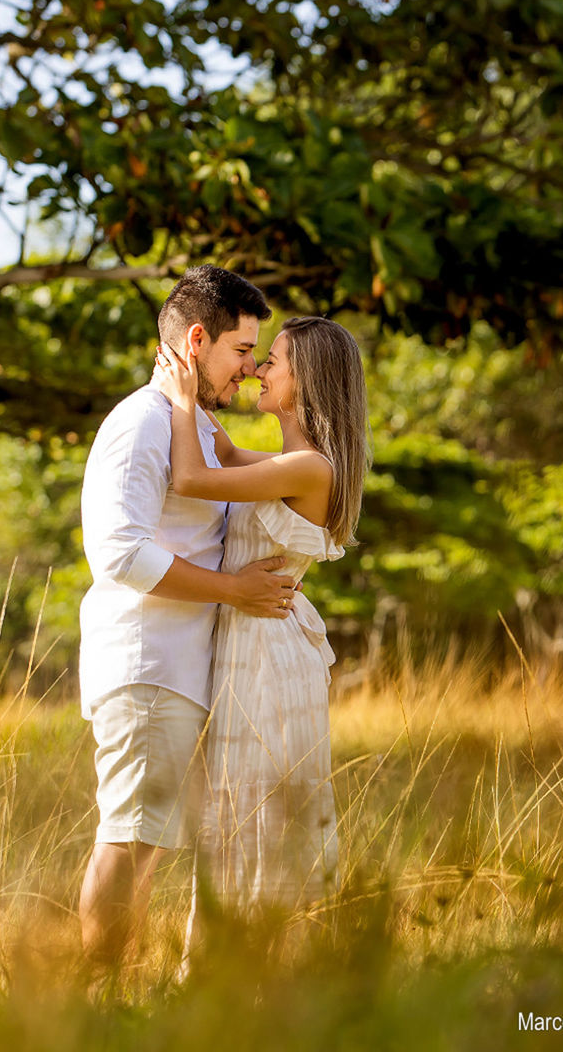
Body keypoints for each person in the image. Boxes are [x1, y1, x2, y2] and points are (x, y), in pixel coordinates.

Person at [76, 265, 296, 972]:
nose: (249, 368)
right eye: (240, 352)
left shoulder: (194, 426)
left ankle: (110, 1004)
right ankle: (89, 1006)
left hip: (175, 674)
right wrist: (233, 591)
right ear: (197, 340)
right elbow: (119, 552)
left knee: (147, 848)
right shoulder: (142, 423)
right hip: (146, 664)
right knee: (129, 837)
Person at [155, 314, 369, 920]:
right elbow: (219, 451)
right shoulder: (287, 461)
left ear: (308, 381)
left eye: (272, 360)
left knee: (256, 811)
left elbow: (195, 477)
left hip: (268, 658)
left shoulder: (310, 468)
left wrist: (176, 401)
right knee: (236, 809)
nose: (257, 369)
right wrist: (195, 394)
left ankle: (252, 978)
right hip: (251, 642)